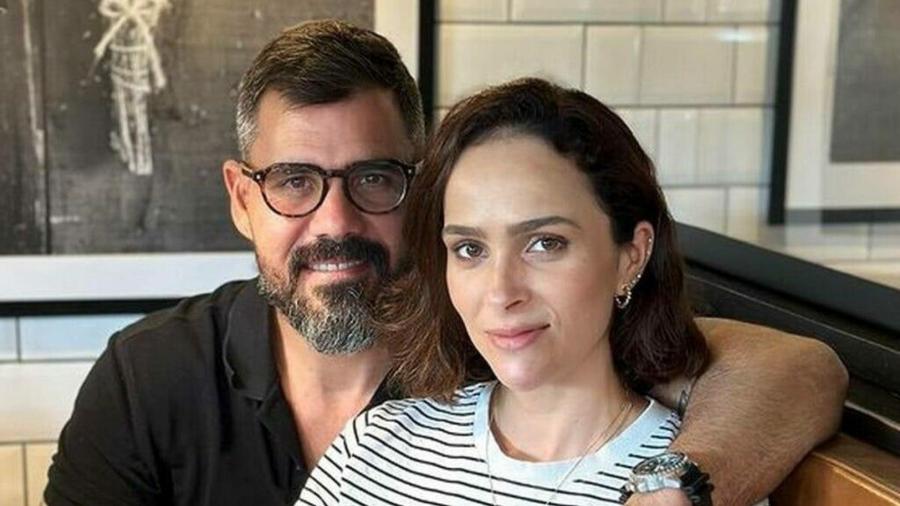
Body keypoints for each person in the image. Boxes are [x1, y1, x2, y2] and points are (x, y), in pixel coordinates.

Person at [44, 20, 847, 506]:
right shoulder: (149, 378)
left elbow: (793, 367)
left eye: (373, 178)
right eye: (293, 181)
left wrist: (677, 485)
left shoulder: (505, 347)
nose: (336, 222)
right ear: (241, 197)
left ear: (420, 186)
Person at [297, 77, 749, 505]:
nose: (500, 292)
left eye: (545, 244)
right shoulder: (373, 448)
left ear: (631, 255)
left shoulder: (697, 481)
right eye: (470, 249)